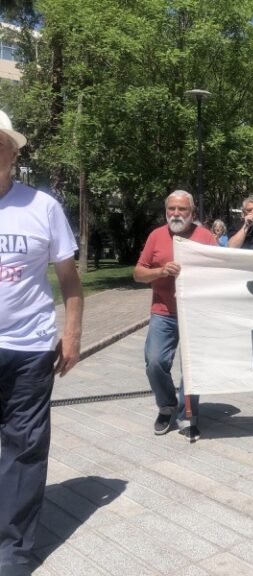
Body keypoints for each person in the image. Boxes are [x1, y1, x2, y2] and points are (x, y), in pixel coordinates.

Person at [0, 110, 84, 575]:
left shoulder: (42, 207)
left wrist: (70, 334)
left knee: (24, 447)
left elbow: (69, 281)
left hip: (30, 347)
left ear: (13, 152)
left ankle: (12, 551)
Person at [133, 190, 218, 441]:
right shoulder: (156, 236)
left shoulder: (205, 237)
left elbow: (220, 269)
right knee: (155, 362)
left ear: (192, 213)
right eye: (172, 209)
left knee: (192, 369)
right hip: (164, 312)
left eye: (182, 209)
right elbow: (138, 273)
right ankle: (167, 406)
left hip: (194, 313)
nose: (176, 213)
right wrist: (160, 272)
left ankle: (187, 415)